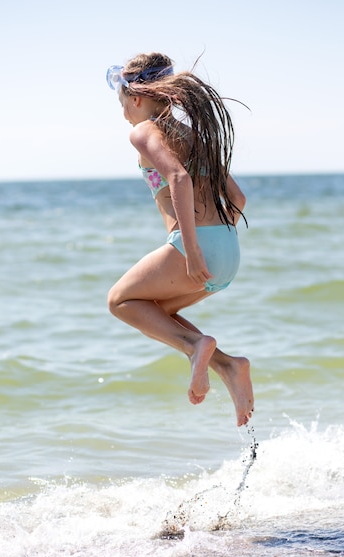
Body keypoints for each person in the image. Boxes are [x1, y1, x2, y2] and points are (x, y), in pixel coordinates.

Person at [106, 52, 254, 426]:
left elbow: (179, 179)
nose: (123, 112)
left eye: (122, 102)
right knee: (157, 312)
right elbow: (238, 198)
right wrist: (218, 240)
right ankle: (229, 366)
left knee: (120, 300)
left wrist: (190, 249)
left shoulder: (143, 131)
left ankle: (196, 348)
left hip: (195, 246)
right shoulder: (193, 135)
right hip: (228, 249)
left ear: (136, 98)